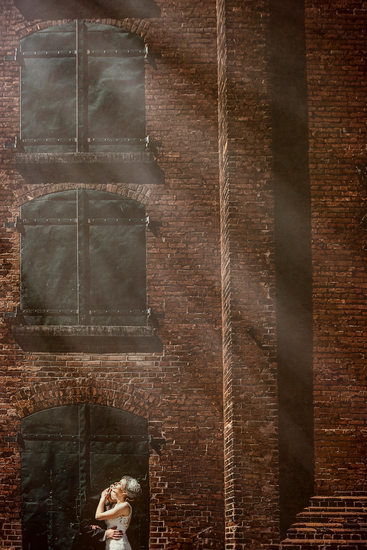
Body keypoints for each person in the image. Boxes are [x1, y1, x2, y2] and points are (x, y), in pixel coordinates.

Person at [95, 476, 142, 550]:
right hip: (111, 543)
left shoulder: (124, 506)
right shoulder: (116, 505)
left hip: (118, 545)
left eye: (120, 483)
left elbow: (98, 516)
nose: (116, 483)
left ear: (124, 492)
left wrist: (102, 498)